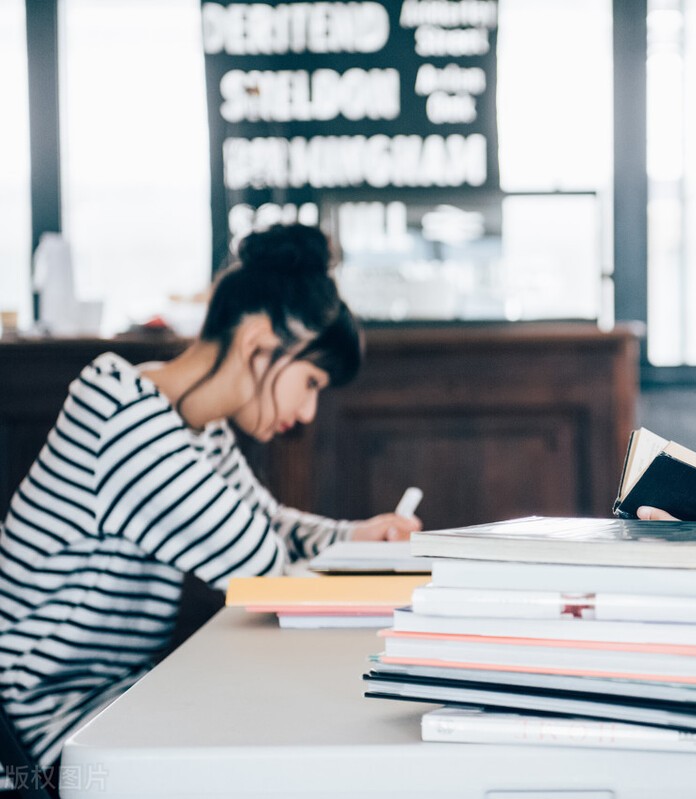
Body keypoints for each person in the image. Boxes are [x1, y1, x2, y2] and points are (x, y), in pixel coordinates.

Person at [0, 223, 422, 778]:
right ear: (257, 343)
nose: (308, 411)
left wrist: (356, 535)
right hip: (45, 736)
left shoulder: (190, 424)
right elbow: (263, 569)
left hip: (110, 705)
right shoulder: (122, 415)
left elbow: (265, 522)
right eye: (311, 382)